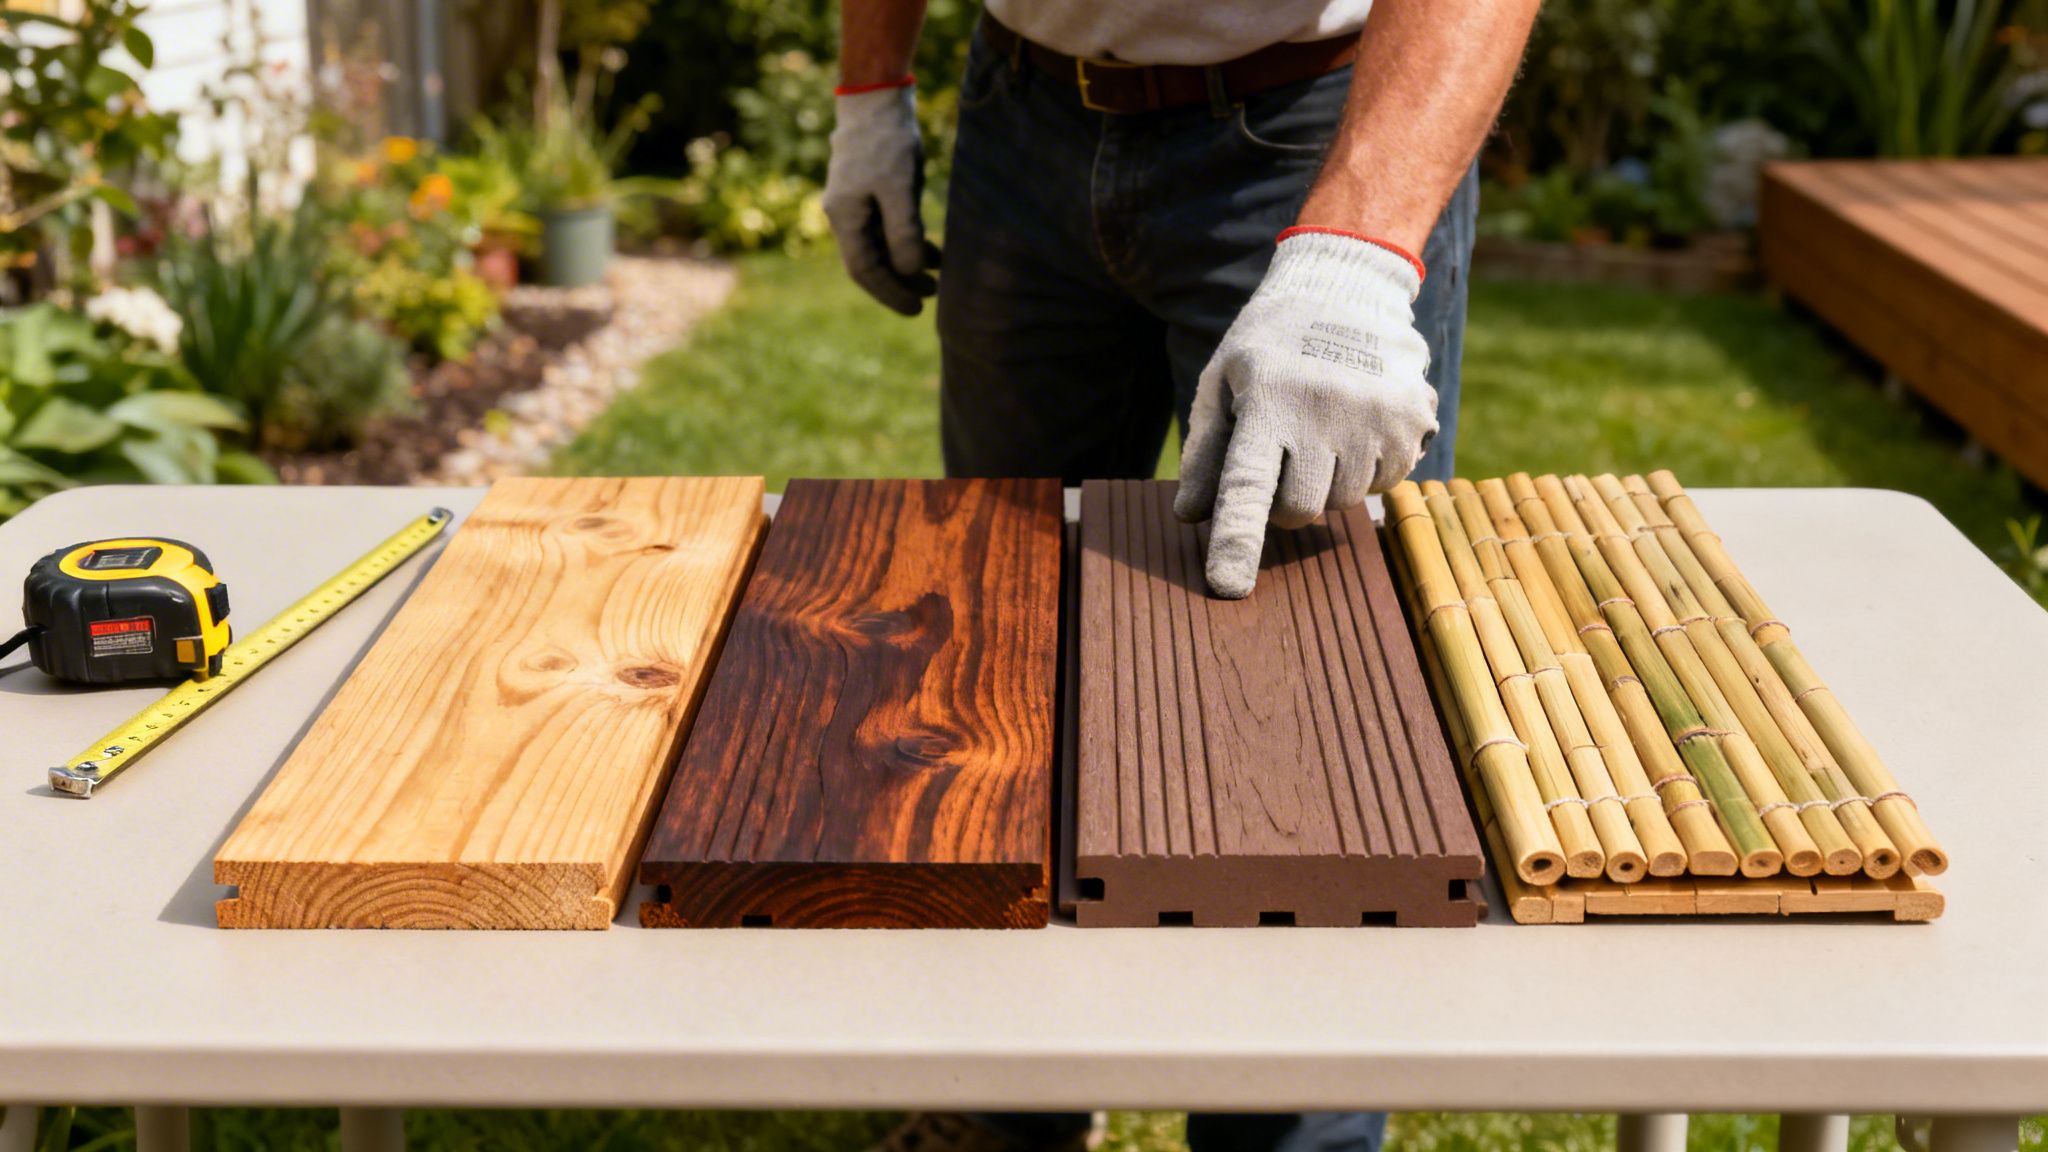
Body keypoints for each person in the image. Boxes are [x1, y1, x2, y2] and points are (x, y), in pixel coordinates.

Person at [823, 1, 1540, 1148]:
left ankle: (1292, 1133)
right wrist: (870, 84)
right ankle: (1012, 1100)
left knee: (1312, 720)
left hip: (1313, 136)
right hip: (1024, 115)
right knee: (999, 643)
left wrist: (1355, 261)